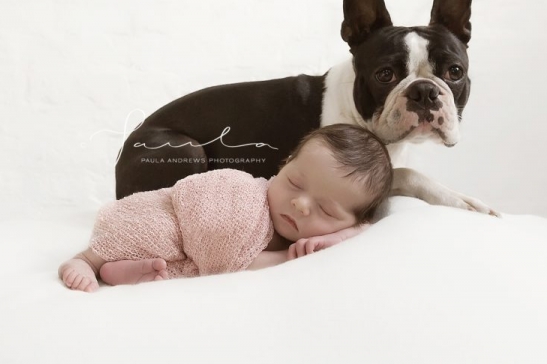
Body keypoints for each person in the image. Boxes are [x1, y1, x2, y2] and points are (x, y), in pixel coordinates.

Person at [58, 123, 393, 292]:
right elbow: (234, 262)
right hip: (171, 214)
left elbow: (363, 230)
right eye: (294, 182)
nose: (300, 204)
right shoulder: (243, 193)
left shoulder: (332, 235)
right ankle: (89, 259)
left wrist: (346, 235)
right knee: (152, 228)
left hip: (181, 255)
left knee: (168, 266)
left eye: (327, 210)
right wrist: (284, 258)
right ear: (284, 164)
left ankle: (118, 270)